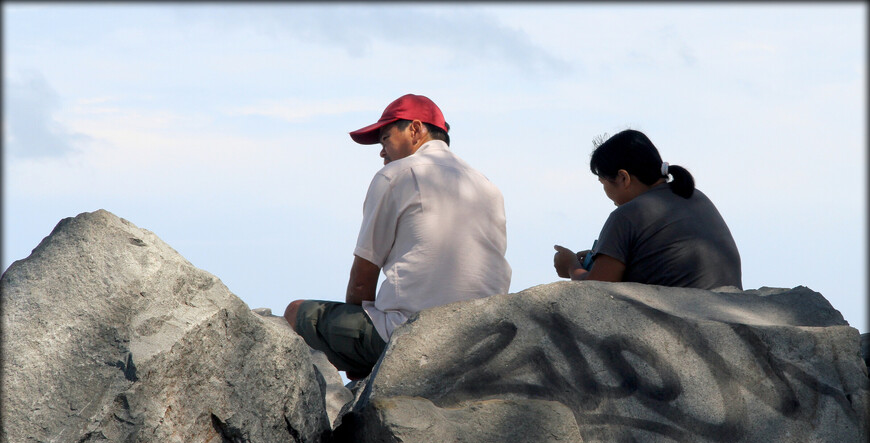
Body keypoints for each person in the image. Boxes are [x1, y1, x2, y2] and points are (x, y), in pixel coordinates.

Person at [284, 94, 512, 380]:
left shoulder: (395, 175)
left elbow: (362, 280)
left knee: (296, 314)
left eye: (385, 139)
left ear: (415, 130)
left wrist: (356, 358)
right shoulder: (488, 186)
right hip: (482, 339)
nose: (382, 152)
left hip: (412, 337)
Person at [553, 129, 742, 290]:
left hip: (684, 322)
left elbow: (595, 292)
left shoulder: (627, 215)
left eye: (603, 182)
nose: (605, 191)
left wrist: (571, 266)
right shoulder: (695, 196)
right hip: (727, 306)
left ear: (623, 178)